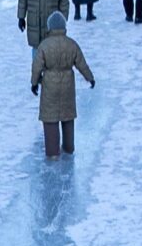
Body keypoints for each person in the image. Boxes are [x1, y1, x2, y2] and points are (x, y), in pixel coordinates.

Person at [32, 11, 95, 157]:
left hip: (49, 87)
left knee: (50, 119)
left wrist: (34, 83)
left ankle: (53, 153)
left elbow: (36, 67)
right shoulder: (71, 44)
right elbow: (81, 64)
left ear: (49, 27)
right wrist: (90, 78)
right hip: (67, 86)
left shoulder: (44, 46)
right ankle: (68, 148)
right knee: (67, 117)